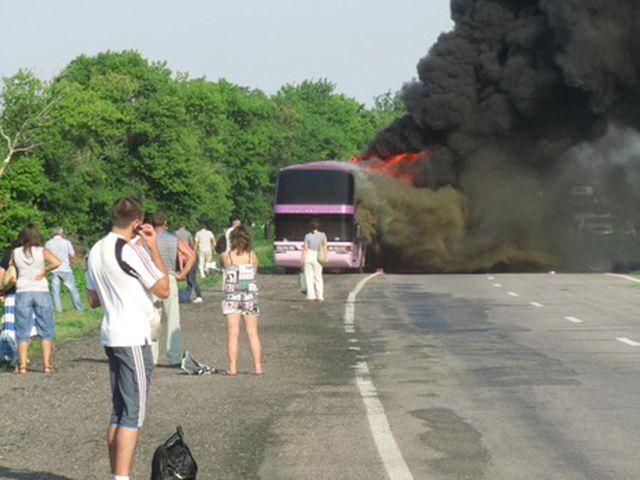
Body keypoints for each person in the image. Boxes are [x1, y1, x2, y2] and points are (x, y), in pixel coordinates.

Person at [85, 197, 169, 480]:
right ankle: (122, 478)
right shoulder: (130, 250)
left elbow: (93, 299)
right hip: (133, 334)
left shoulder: (96, 250)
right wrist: (153, 247)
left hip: (111, 333)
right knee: (133, 414)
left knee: (118, 411)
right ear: (137, 223)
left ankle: (116, 475)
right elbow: (163, 288)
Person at [12, 223, 61, 374]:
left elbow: (11, 268)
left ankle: (22, 366)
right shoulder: (42, 251)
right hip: (40, 290)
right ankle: (46, 365)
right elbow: (57, 262)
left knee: (22, 329)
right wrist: (45, 270)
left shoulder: (15, 252)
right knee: (45, 328)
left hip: (23, 290)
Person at [151, 212, 195, 365]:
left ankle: (152, 356)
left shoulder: (145, 238)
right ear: (165, 222)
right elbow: (191, 255)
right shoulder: (172, 238)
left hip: (151, 280)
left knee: (153, 318)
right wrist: (182, 273)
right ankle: (174, 356)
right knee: (173, 319)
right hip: (169, 277)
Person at [221, 225, 262, 375]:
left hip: (232, 296)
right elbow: (254, 274)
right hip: (249, 296)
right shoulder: (252, 256)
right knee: (252, 333)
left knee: (233, 333)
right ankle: (257, 367)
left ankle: (232, 367)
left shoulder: (227, 257)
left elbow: (226, 269)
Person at [45, 227, 84, 312]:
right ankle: (79, 308)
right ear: (61, 233)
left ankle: (58, 310)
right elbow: (72, 255)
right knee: (73, 290)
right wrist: (72, 261)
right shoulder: (66, 242)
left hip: (54, 269)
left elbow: (46, 256)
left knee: (55, 292)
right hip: (66, 268)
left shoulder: (48, 243)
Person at [175, 223, 202, 303]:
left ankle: (199, 296)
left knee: (191, 279)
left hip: (190, 260)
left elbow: (180, 257)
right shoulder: (187, 236)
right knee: (189, 279)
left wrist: (182, 270)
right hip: (194, 257)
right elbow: (192, 244)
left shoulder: (177, 242)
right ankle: (188, 296)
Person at [301, 218, 327, 302]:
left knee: (309, 277)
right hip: (318, 256)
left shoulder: (307, 236)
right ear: (318, 226)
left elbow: (305, 248)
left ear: (310, 227)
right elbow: (325, 246)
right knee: (318, 277)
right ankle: (320, 296)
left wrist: (302, 259)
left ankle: (311, 296)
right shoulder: (322, 235)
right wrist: (326, 256)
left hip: (309, 255)